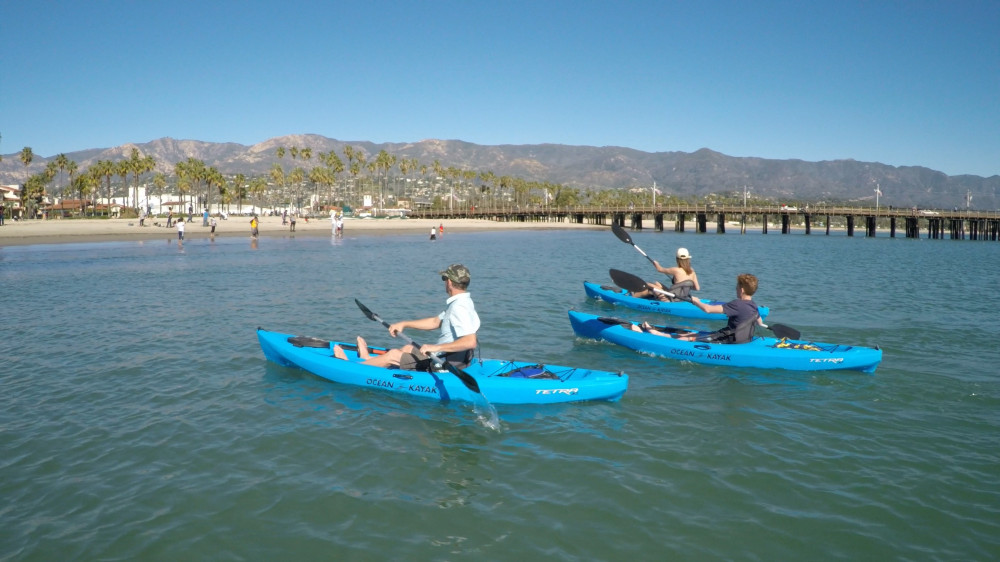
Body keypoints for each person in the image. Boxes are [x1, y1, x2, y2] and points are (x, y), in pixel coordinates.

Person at [334, 264, 480, 370]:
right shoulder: (462, 302)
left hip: (443, 363)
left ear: (449, 282)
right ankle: (367, 358)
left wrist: (436, 347)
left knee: (393, 355)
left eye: (444, 279)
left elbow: (470, 341)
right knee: (408, 348)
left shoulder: (459, 307)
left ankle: (352, 368)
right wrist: (404, 324)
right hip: (449, 356)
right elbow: (436, 321)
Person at [631, 273, 763, 343]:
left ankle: (657, 335)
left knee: (691, 338)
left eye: (736, 287)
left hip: (728, 339)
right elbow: (760, 322)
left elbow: (708, 310)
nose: (735, 289)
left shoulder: (737, 304)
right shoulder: (754, 305)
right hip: (741, 339)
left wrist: (696, 301)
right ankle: (660, 333)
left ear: (741, 289)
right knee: (696, 333)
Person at [631, 247, 700, 301]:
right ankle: (644, 295)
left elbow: (659, 269)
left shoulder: (676, 270)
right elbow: (697, 288)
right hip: (681, 298)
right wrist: (684, 288)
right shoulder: (692, 272)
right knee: (657, 283)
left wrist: (656, 263)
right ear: (688, 259)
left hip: (670, 298)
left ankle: (632, 298)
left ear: (677, 259)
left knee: (649, 285)